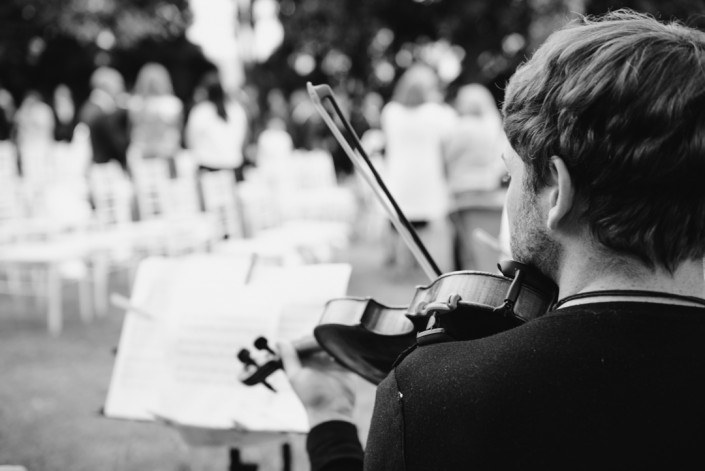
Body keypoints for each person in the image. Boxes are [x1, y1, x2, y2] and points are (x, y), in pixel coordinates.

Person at [280, 10, 705, 470]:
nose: (507, 190)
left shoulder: (435, 395)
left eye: (510, 173)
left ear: (558, 192)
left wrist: (330, 421)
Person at [379, 63, 457, 272]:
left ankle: (401, 261)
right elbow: (450, 132)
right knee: (425, 223)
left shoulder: (391, 112)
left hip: (399, 174)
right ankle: (423, 261)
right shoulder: (437, 113)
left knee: (401, 221)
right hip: (426, 176)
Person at [444, 83, 508, 270]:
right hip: (487, 189)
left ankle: (461, 274)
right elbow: (501, 161)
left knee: (463, 242)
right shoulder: (493, 126)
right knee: (482, 239)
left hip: (461, 188)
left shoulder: (458, 127)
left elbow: (448, 157)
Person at [185, 70, 248, 181]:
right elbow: (244, 138)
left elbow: (190, 140)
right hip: (234, 166)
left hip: (209, 167)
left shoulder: (200, 111)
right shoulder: (237, 110)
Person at [78, 67, 130, 170]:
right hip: (102, 170)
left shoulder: (92, 108)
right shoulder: (97, 112)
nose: (122, 87)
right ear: (106, 86)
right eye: (119, 83)